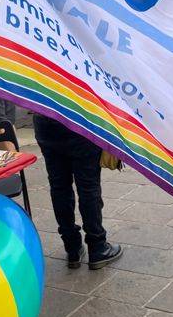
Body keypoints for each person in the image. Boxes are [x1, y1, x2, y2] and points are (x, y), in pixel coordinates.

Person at [33, 114, 122, 270]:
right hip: (80, 120)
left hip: (46, 121)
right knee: (88, 188)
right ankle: (97, 246)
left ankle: (72, 247)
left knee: (59, 187)